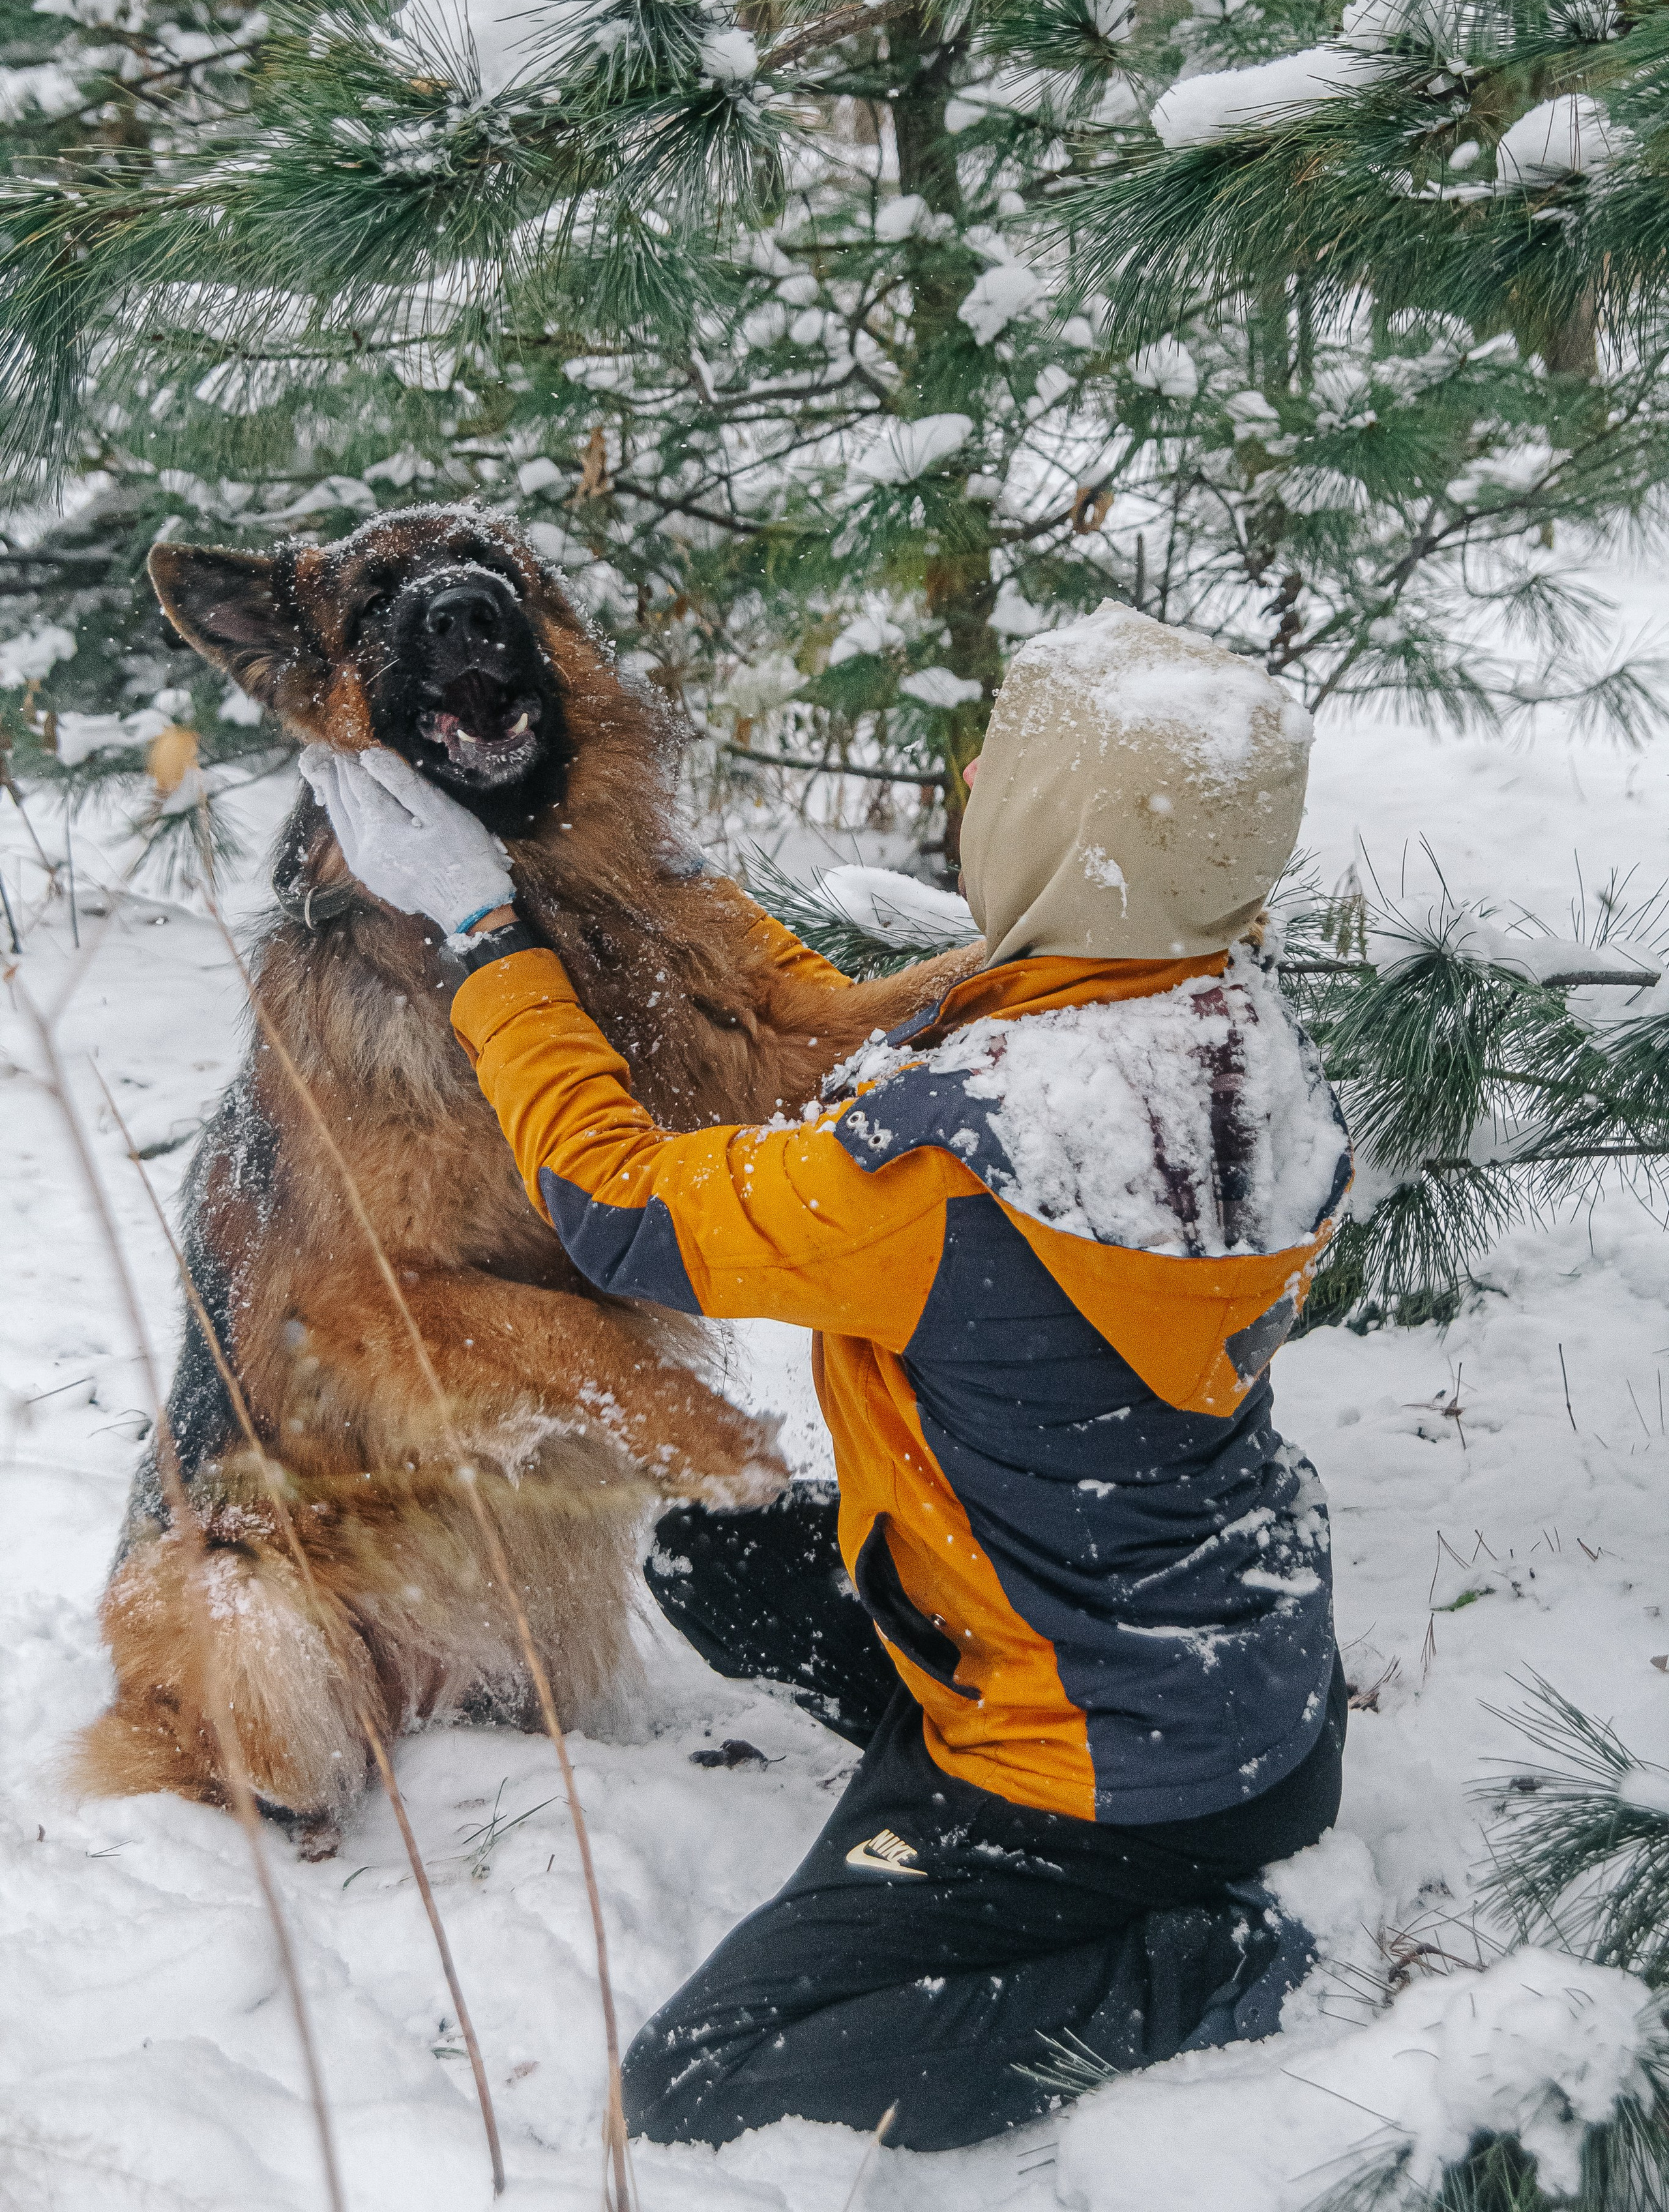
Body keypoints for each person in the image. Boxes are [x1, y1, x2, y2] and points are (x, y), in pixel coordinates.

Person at [306, 602, 1353, 2155]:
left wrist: (485, 940)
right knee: (714, 1559)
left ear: (1078, 829)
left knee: (706, 2082)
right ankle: (967, 1761)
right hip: (1244, 1676)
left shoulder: (947, 1178)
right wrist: (628, 893)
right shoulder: (1206, 1022)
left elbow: (616, 1202)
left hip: (1113, 1787)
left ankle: (1206, 1962)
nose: (981, 766)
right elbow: (895, 1064)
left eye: (1021, 762)